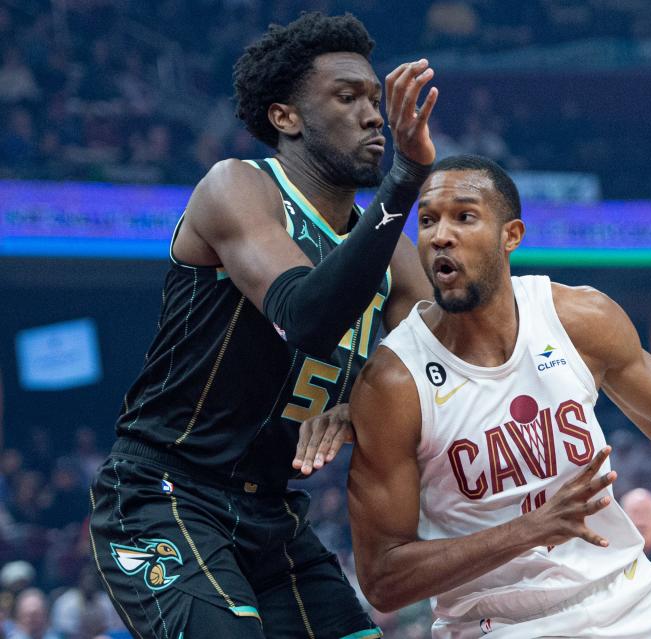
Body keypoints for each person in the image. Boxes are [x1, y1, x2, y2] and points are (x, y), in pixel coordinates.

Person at [347, 155, 651, 638]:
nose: (440, 235)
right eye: (427, 220)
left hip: (631, 593)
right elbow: (383, 580)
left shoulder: (579, 318)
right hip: (502, 624)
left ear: (511, 235)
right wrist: (530, 530)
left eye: (464, 216)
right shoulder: (394, 382)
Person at [89, 12, 437, 638]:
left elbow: (436, 371)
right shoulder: (238, 188)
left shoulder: (395, 258)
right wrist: (406, 178)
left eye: (374, 97)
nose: (374, 114)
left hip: (273, 512)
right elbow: (305, 317)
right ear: (286, 118)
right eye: (347, 96)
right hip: (166, 491)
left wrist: (361, 407)